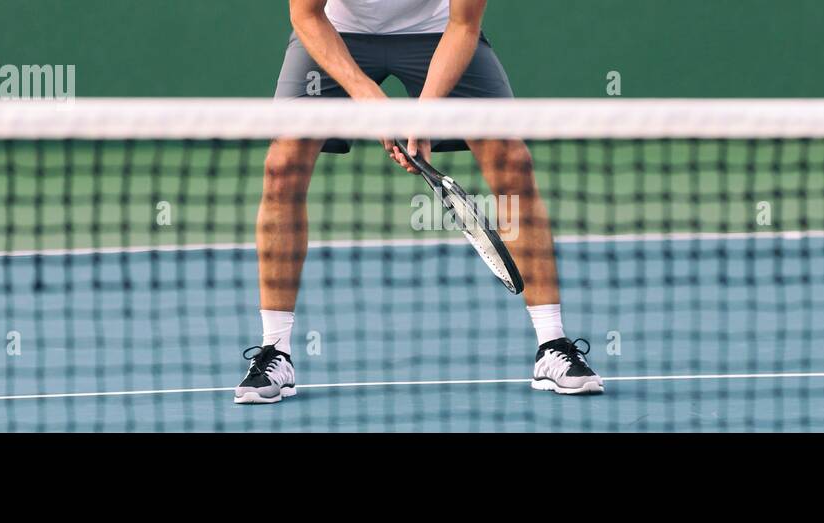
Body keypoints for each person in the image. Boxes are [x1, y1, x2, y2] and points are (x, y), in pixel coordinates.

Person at [235, 0, 603, 404]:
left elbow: (464, 24)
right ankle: (276, 351)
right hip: (334, 34)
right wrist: (369, 98)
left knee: (511, 161)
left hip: (440, 33)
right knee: (281, 166)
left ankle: (552, 345)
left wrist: (423, 116)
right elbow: (305, 14)